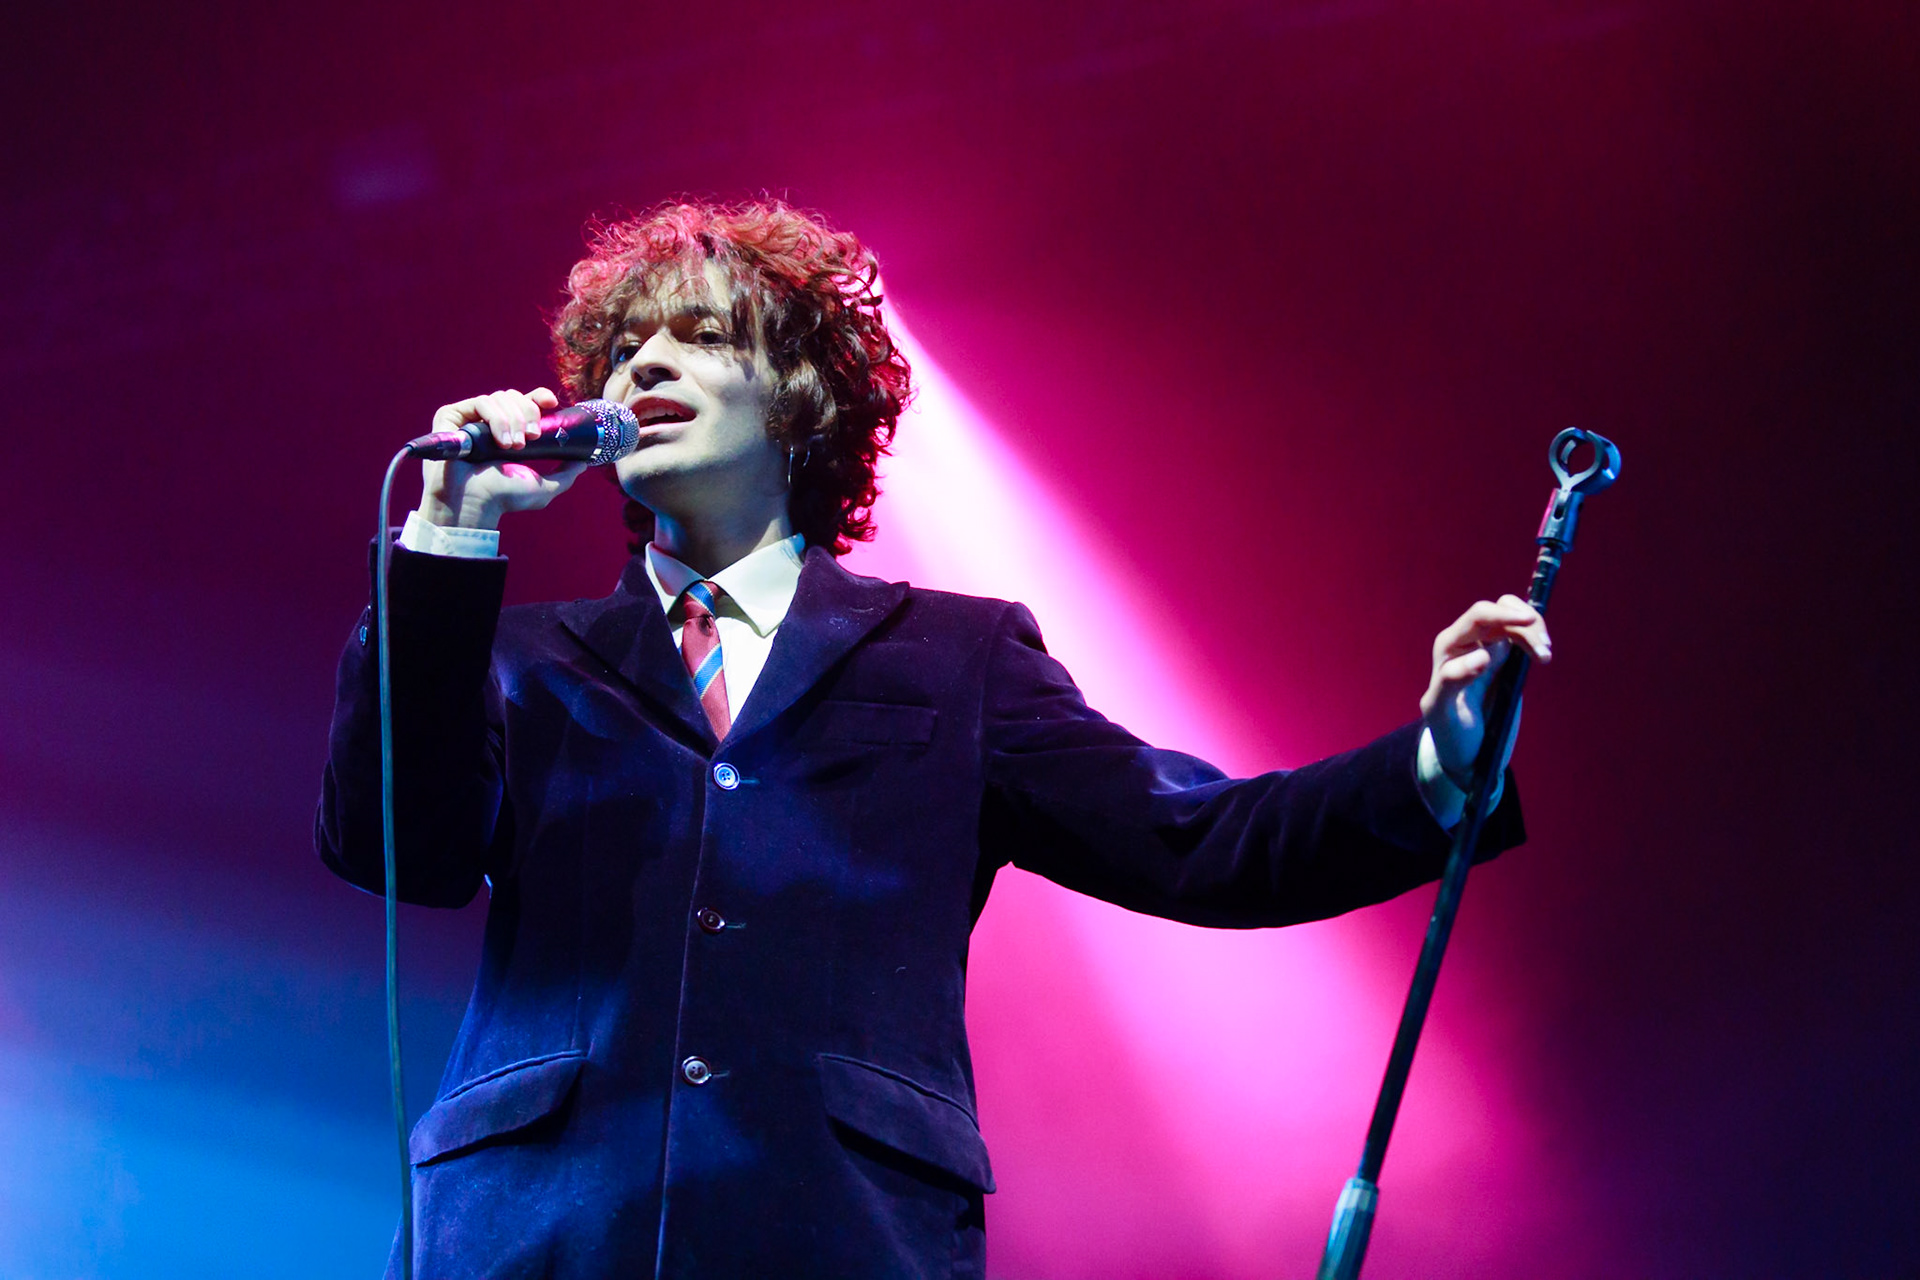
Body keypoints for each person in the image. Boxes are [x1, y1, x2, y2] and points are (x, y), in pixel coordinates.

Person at [316, 200, 1549, 1280]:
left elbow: (1203, 841)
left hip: (833, 1228)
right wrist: (450, 539)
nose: (647, 361)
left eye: (703, 334)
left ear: (801, 395)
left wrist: (1433, 757)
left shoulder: (954, 657)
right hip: (531, 1236)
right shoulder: (523, 658)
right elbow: (398, 848)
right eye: (628, 342)